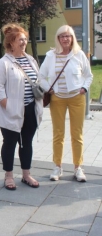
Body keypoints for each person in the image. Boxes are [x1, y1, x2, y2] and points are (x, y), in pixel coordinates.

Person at [0, 23, 43, 190]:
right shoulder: (3, 63)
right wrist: (9, 106)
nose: (23, 42)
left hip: (30, 109)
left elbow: (38, 80)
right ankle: (8, 176)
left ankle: (26, 174)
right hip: (11, 110)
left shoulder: (31, 60)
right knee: (10, 143)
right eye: (19, 39)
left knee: (26, 142)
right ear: (10, 42)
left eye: (25, 39)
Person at [39, 25, 93, 182]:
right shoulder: (50, 56)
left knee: (77, 134)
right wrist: (49, 88)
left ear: (72, 38)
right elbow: (41, 76)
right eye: (62, 36)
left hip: (77, 98)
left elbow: (88, 75)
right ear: (58, 39)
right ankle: (57, 166)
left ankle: (78, 167)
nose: (65, 39)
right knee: (58, 133)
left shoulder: (79, 55)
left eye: (68, 36)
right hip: (58, 99)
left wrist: (84, 87)